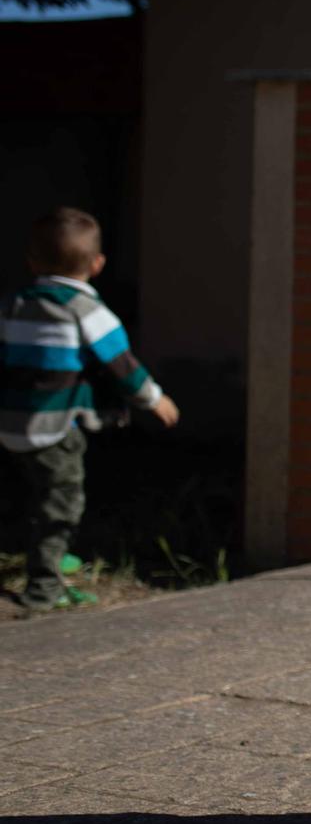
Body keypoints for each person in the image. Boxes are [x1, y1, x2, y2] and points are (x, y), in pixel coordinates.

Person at [2, 207, 181, 612]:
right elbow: (122, 366)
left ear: (32, 262)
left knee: (33, 493)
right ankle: (44, 588)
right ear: (97, 264)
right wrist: (156, 399)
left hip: (13, 422)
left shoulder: (13, 304)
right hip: (54, 426)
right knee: (61, 502)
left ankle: (49, 554)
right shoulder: (86, 311)